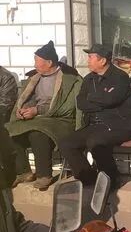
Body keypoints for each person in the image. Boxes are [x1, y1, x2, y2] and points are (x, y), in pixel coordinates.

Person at [5, 41, 82, 190]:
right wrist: (23, 109)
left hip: (61, 121)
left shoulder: (70, 79)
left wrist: (37, 111)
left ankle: (44, 175)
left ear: (49, 62)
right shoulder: (34, 78)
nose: (34, 64)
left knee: (38, 133)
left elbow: (67, 107)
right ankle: (23, 171)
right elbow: (28, 99)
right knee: (8, 131)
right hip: (37, 119)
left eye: (37, 61)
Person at [59, 44, 131, 188]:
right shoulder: (89, 79)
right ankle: (88, 178)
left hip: (117, 125)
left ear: (103, 61)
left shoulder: (120, 77)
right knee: (66, 143)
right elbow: (81, 102)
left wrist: (92, 98)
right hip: (93, 124)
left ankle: (111, 179)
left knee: (96, 142)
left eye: (90, 57)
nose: (87, 61)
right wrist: (101, 99)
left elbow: (112, 99)